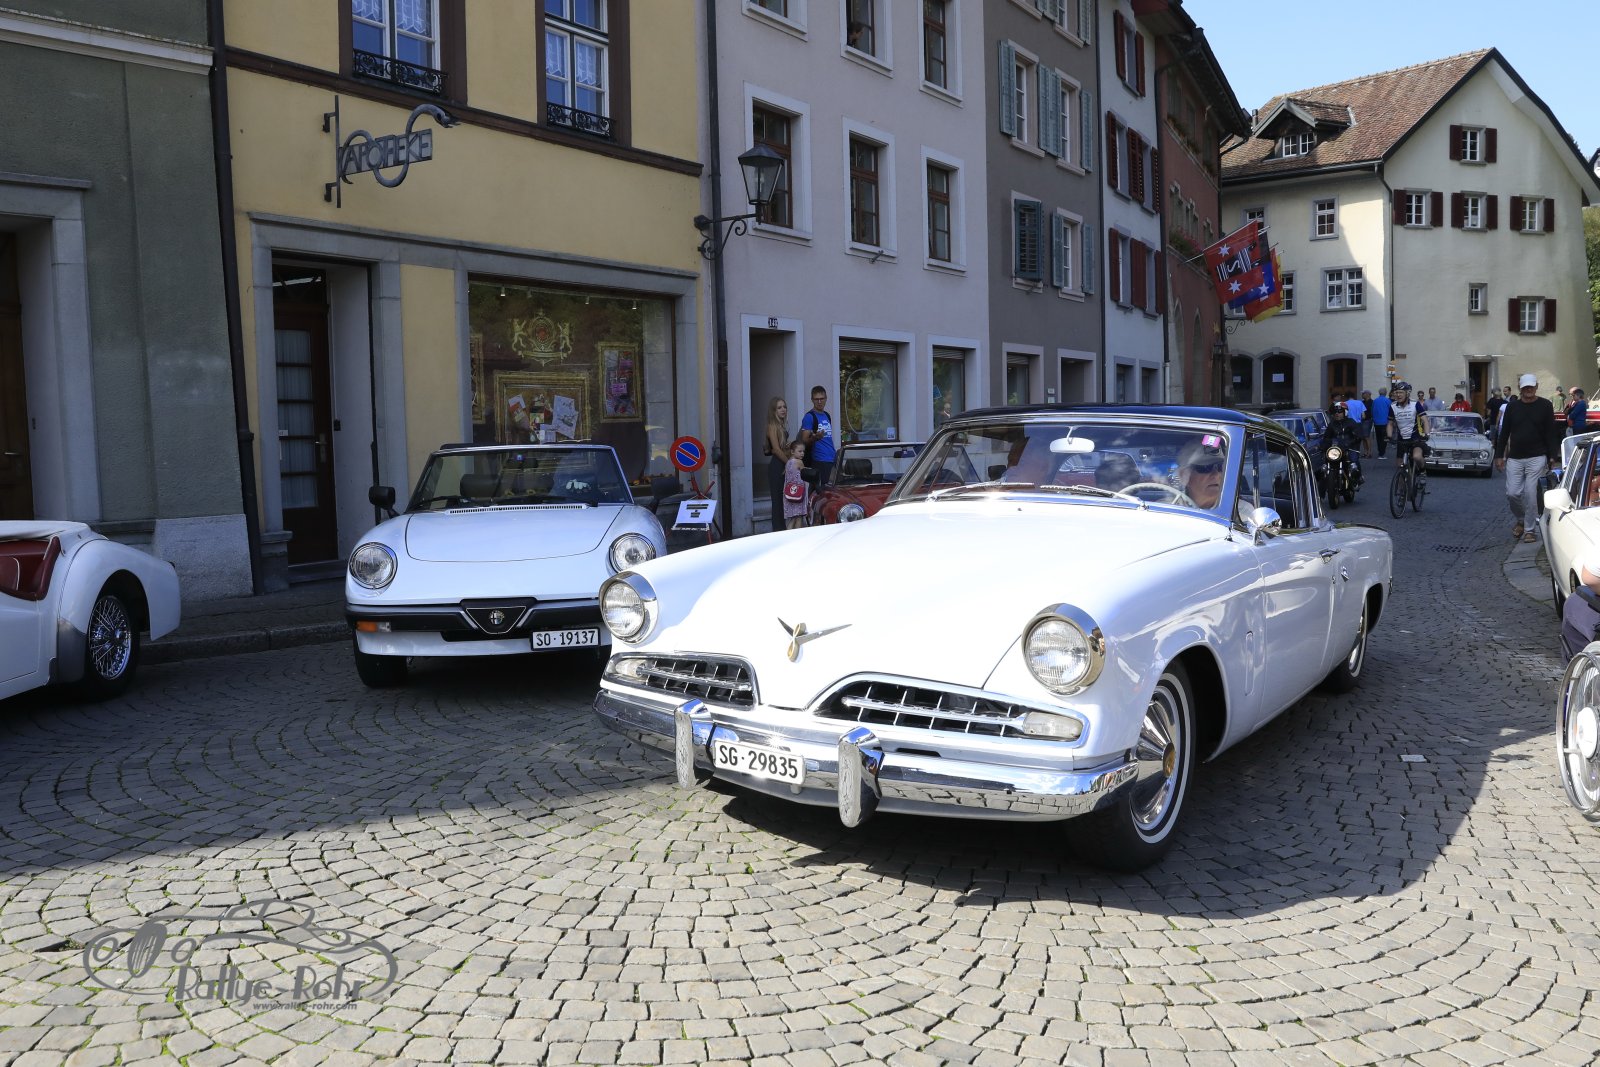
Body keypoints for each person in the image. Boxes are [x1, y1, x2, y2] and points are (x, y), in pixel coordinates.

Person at [1495, 372, 1562, 544]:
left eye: (1531, 387)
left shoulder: (1545, 405)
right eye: (1525, 387)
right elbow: (1504, 432)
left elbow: (1551, 432)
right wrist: (1499, 455)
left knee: (1531, 494)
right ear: (1520, 388)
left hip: (1537, 456)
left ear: (1536, 387)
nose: (1529, 390)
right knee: (1512, 493)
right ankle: (1521, 519)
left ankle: (1530, 530)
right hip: (1515, 457)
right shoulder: (1512, 407)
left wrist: (1552, 455)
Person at [1389, 381, 1430, 483]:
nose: (1398, 395)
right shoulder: (1393, 406)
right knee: (1399, 466)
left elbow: (1425, 420)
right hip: (1401, 440)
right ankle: (1402, 490)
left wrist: (1427, 434)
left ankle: (1422, 472)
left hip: (1415, 438)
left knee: (1416, 456)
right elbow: (1390, 423)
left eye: (1401, 392)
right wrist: (1389, 436)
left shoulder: (1415, 404)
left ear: (1407, 393)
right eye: (1396, 392)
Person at [1174, 436, 1227, 510]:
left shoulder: (1239, 512)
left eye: (1220, 467)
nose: (1216, 475)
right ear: (1183, 475)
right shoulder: (1167, 509)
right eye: (1206, 468)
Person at [1320, 401, 1364, 488]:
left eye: (1339, 412)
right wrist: (1324, 445)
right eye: (1335, 412)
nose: (1337, 413)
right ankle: (1322, 488)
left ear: (1345, 412)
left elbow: (1359, 435)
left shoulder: (1351, 422)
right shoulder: (1332, 424)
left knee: (1354, 461)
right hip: (1336, 449)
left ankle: (1358, 478)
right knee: (1325, 465)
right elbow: (1326, 437)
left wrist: (1353, 440)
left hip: (1349, 448)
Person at [763, 396, 791, 533]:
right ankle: (778, 530)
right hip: (776, 466)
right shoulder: (772, 426)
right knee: (777, 501)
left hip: (782, 464)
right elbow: (776, 449)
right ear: (773, 410)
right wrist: (789, 463)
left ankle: (782, 529)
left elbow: (781, 448)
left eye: (784, 407)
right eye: (779, 407)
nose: (783, 409)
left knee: (783, 500)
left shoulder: (781, 426)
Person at [800, 386, 836, 490]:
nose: (819, 402)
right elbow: (804, 440)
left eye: (822, 398)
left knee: (832, 492)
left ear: (826, 398)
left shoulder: (827, 415)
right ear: (812, 400)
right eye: (816, 399)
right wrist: (815, 438)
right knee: (822, 492)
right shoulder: (809, 417)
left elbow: (828, 439)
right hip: (819, 460)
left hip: (832, 459)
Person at [781, 439, 809, 529]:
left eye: (803, 451)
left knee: (792, 518)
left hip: (789, 493)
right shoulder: (799, 462)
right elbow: (805, 473)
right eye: (800, 451)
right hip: (798, 493)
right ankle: (798, 535)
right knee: (799, 516)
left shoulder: (788, 462)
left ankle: (788, 534)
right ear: (792, 451)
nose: (802, 453)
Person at [1371, 387, 1392, 458]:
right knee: (1385, 438)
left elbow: (1372, 411)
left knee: (1378, 438)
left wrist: (1374, 419)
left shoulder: (1375, 401)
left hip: (1377, 422)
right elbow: (1391, 411)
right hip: (1385, 422)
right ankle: (1382, 453)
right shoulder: (1388, 400)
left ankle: (1380, 451)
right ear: (1385, 393)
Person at [1359, 390, 1376, 457]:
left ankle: (1369, 452)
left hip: (1368, 420)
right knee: (1363, 437)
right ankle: (1365, 452)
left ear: (1368, 394)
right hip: (1362, 420)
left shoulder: (1372, 402)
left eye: (1363, 394)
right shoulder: (1362, 402)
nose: (1362, 395)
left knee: (1366, 436)